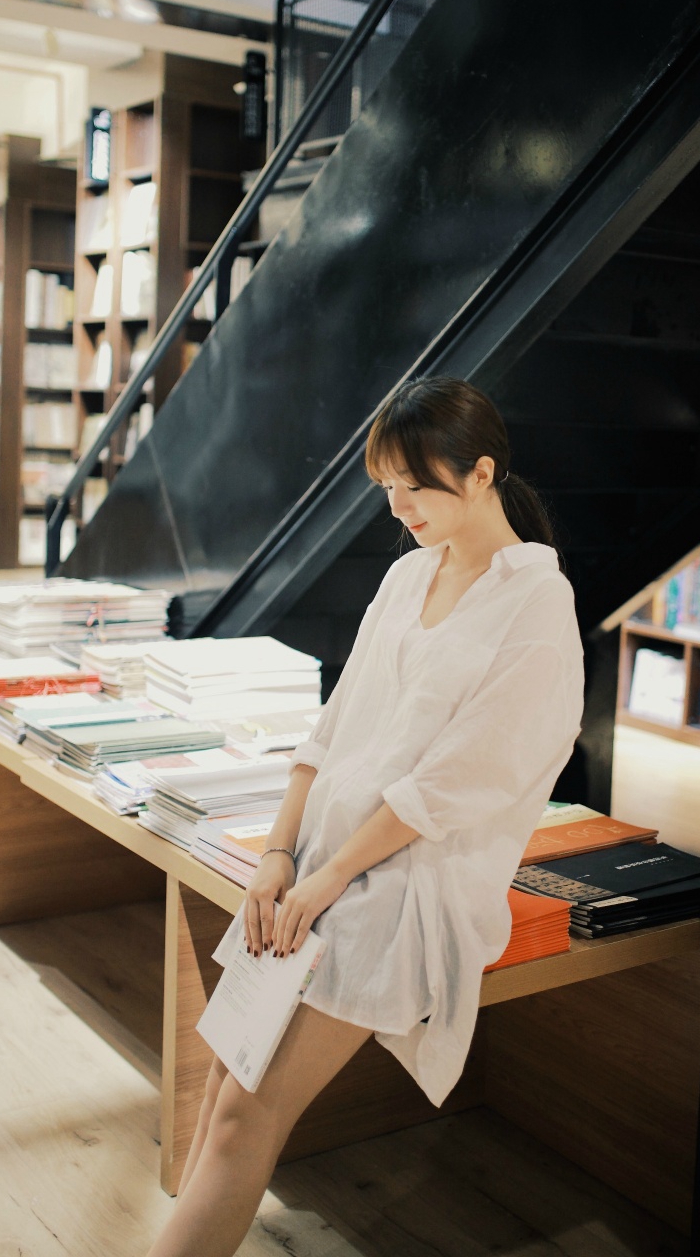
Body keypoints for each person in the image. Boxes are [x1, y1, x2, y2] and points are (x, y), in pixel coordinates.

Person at [146, 376, 585, 1257]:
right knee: (224, 1091)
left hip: (401, 887)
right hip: (315, 867)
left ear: (482, 473)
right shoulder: (405, 576)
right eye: (386, 484)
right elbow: (332, 727)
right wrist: (278, 854)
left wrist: (327, 876)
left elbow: (458, 783)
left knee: (243, 1117)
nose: (398, 505)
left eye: (415, 486)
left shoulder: (537, 604)